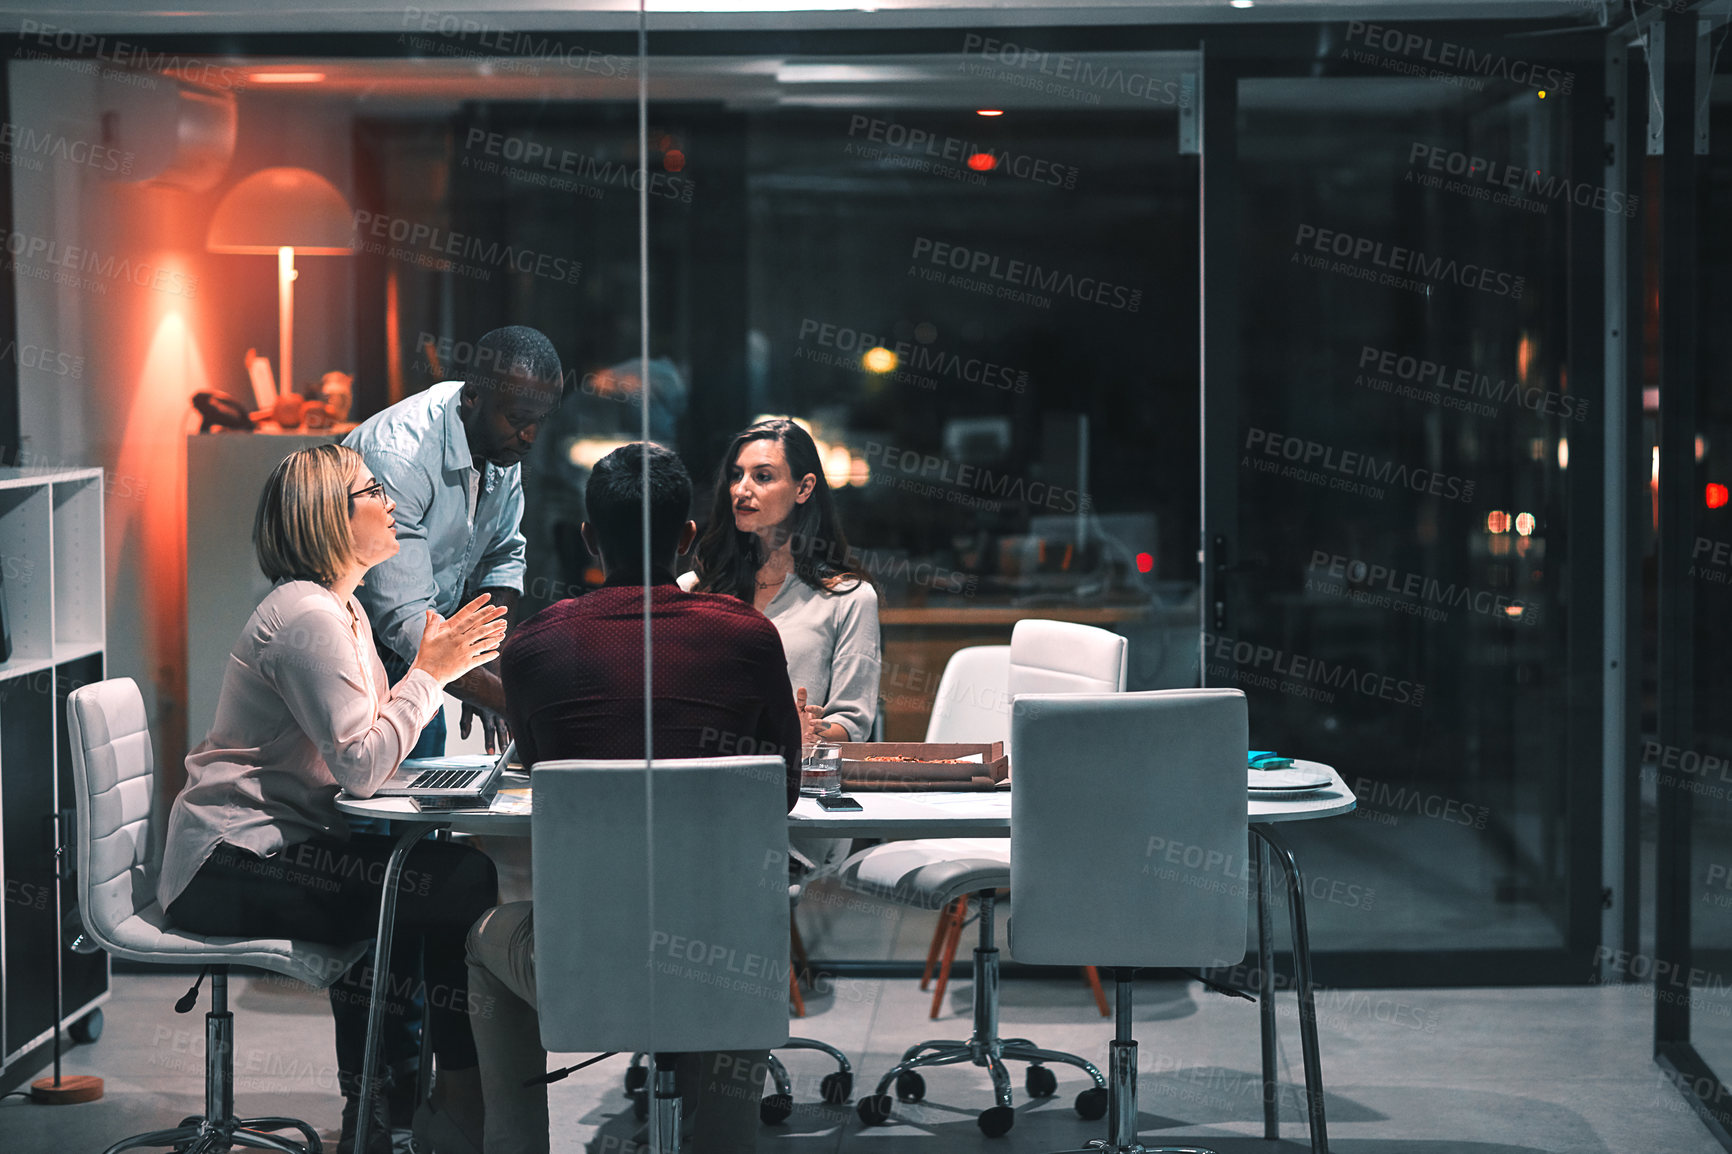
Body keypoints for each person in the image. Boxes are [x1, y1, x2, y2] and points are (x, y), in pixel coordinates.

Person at [159, 444, 506, 1154]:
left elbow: (369, 744)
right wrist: (430, 674)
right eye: (372, 491)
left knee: (427, 886)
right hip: (227, 864)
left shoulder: (338, 610)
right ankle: (425, 1106)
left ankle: (396, 1106)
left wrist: (430, 671)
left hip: (268, 848)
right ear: (329, 518)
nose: (391, 502)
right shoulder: (308, 619)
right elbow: (361, 766)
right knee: (452, 882)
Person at [465, 442, 803, 1154]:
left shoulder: (532, 650)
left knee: (484, 939)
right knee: (742, 931)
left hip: (586, 957)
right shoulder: (748, 637)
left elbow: (538, 773)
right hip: (726, 958)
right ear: (686, 538)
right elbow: (786, 786)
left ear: (589, 538)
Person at [343, 324, 564, 757]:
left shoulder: (500, 442)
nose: (530, 436)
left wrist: (489, 667)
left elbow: (502, 558)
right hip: (357, 657)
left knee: (427, 805)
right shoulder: (400, 458)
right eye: (518, 420)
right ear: (472, 398)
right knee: (370, 812)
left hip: (426, 653)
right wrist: (512, 703)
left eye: (539, 421)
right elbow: (402, 620)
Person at [686, 417, 881, 876]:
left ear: (804, 487)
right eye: (736, 475)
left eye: (763, 476)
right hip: (701, 787)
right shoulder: (694, 590)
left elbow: (852, 725)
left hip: (796, 801)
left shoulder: (849, 597)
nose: (742, 489)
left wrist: (796, 734)